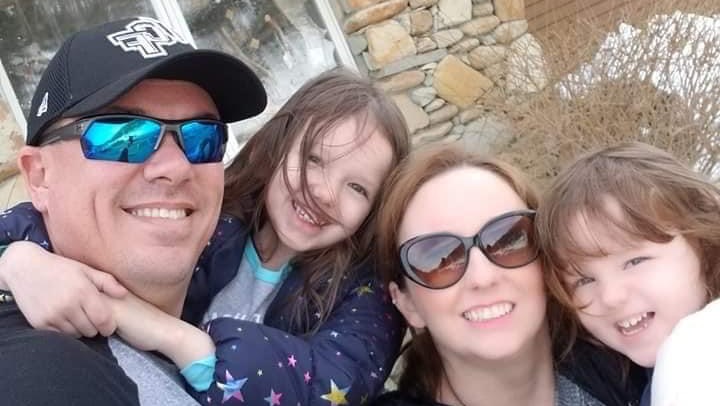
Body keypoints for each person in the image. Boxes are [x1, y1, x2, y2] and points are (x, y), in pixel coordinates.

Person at [0, 16, 408, 406]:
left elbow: (336, 381)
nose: (324, 193)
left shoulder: (365, 289)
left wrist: (179, 339)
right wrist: (17, 261)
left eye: (202, 138)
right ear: (277, 149)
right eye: (124, 135)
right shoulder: (227, 218)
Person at [0, 15, 266, 405]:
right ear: (39, 176)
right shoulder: (40, 369)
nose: (176, 167)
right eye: (124, 135)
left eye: (203, 137)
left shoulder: (238, 276)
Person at [371, 143, 643, 406]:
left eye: (508, 239)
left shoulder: (641, 365)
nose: (483, 278)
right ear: (407, 303)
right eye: (437, 260)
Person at [536, 142, 720, 406]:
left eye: (635, 261)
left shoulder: (701, 354)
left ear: (703, 242)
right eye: (584, 280)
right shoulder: (631, 377)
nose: (611, 297)